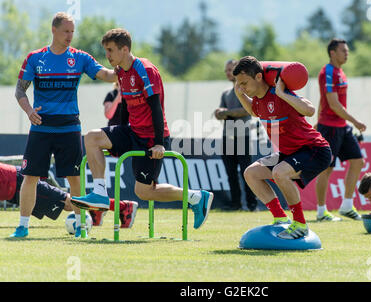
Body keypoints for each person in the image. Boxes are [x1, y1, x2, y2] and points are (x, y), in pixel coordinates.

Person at [70, 28, 214, 230]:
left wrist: (158, 143)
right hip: (132, 131)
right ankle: (100, 193)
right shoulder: (121, 72)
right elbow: (127, 107)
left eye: (110, 50)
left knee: (144, 192)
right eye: (106, 51)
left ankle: (196, 197)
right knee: (93, 138)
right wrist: (115, 136)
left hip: (151, 137)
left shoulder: (144, 69)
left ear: (125, 49)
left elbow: (156, 107)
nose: (107, 55)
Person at [11, 12, 117, 238]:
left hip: (69, 128)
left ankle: (81, 228)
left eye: (72, 31)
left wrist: (126, 67)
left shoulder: (80, 58)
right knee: (30, 177)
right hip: (40, 128)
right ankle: (22, 227)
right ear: (54, 30)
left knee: (74, 179)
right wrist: (29, 111)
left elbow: (106, 74)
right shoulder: (35, 58)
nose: (70, 36)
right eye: (66, 31)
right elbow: (20, 89)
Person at [232, 56, 332, 239]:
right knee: (251, 173)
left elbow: (309, 110)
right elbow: (255, 112)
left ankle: (300, 224)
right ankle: (280, 218)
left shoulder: (278, 93)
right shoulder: (257, 100)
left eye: (244, 83)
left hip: (314, 149)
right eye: (239, 84)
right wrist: (241, 95)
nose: (242, 87)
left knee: (280, 173)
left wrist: (283, 94)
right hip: (289, 152)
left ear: (259, 77)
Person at [314, 38, 367, 222]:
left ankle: (346, 206)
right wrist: (356, 121)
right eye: (343, 50)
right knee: (326, 169)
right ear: (332, 53)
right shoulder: (327, 72)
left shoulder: (340, 72)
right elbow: (334, 105)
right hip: (329, 128)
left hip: (342, 127)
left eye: (347, 50)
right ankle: (321, 212)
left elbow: (324, 100)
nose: (347, 53)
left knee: (357, 161)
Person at [0, 162, 137, 228]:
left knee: (67, 203)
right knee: (69, 203)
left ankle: (123, 206)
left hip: (18, 182)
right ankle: (96, 210)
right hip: (12, 189)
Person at [214, 59, 258, 211]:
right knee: (230, 173)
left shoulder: (246, 92)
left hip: (243, 137)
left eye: (231, 69)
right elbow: (219, 114)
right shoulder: (226, 93)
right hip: (228, 137)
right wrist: (222, 113)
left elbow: (246, 111)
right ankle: (236, 204)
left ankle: (252, 204)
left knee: (247, 172)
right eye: (226, 70)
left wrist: (225, 113)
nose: (228, 73)